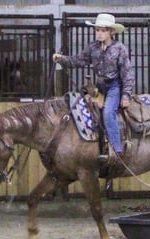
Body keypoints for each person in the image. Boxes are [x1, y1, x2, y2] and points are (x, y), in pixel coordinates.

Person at [53, 13, 135, 162]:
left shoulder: (119, 49)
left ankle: (117, 150)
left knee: (109, 112)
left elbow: (127, 73)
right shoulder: (93, 47)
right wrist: (62, 59)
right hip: (99, 86)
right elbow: (78, 60)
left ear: (111, 32)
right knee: (82, 107)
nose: (99, 33)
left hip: (114, 86)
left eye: (103, 30)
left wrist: (126, 95)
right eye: (97, 30)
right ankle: (94, 144)